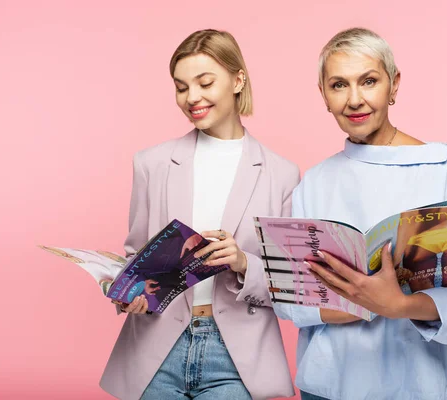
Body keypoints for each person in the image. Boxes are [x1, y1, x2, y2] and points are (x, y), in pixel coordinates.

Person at [273, 27, 447, 400]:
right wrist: (360, 305)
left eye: (368, 81)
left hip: (414, 385)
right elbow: (289, 300)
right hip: (328, 385)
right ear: (323, 95)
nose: (355, 100)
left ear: (394, 85)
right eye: (338, 85)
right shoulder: (313, 183)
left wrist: (396, 306)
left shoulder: (438, 167)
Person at [99, 29, 298, 400]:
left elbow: (286, 286)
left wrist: (242, 262)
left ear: (238, 80)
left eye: (205, 83)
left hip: (236, 356)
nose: (192, 98)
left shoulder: (282, 174)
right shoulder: (151, 163)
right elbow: (134, 258)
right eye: (181, 87)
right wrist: (127, 291)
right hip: (155, 350)